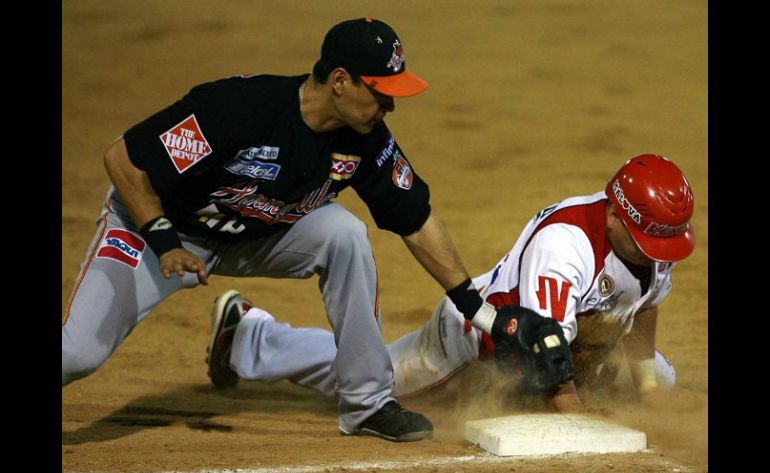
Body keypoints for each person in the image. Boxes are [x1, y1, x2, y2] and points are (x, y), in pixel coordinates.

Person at [62, 17, 566, 442]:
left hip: (254, 234)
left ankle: (367, 404)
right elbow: (124, 159)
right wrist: (163, 238)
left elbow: (417, 221)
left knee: (343, 234)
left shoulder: (366, 138)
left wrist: (480, 314)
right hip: (157, 232)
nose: (389, 106)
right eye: (380, 92)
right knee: (79, 352)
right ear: (341, 80)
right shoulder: (238, 108)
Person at [209, 154, 694, 413]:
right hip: (473, 343)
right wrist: (580, 415)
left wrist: (646, 380)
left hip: (562, 345)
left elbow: (646, 302)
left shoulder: (649, 237)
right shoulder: (565, 246)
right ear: (614, 213)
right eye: (648, 238)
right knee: (368, 381)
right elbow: (545, 356)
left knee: (653, 381)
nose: (658, 250)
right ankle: (249, 336)